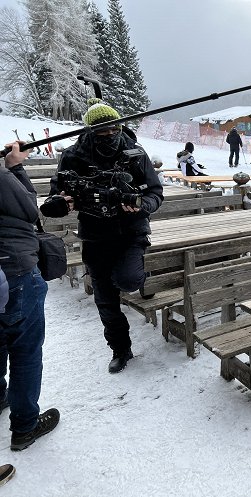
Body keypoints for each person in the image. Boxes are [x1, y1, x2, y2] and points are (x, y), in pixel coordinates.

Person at [43, 100, 164, 373]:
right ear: (89, 131)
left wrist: (141, 205)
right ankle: (121, 350)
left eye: (113, 130)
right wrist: (59, 204)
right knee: (105, 300)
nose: (109, 136)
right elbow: (56, 195)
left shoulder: (135, 153)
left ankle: (133, 276)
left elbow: (156, 194)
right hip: (95, 236)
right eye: (101, 132)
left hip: (131, 232)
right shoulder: (73, 157)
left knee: (128, 280)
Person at [1, 140, 60, 450]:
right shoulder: (2, 178)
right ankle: (24, 427)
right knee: (25, 350)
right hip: (16, 271)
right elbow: (29, 210)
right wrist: (15, 168)